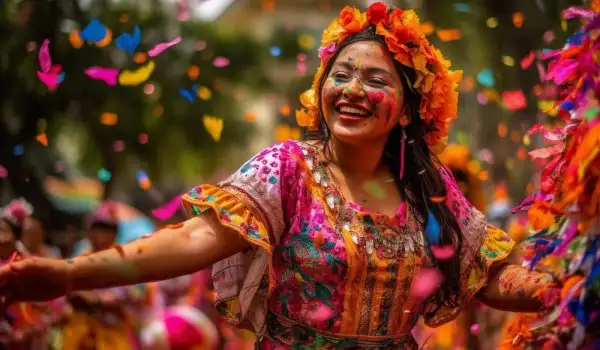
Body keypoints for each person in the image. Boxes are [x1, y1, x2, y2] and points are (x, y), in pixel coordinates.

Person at [0, 3, 560, 349]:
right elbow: (194, 239)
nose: (352, 91)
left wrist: (557, 292)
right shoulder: (287, 168)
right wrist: (70, 274)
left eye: (375, 79)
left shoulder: (429, 189)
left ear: (411, 109)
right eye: (340, 75)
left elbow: (484, 273)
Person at [59, 203, 151, 350]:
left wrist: (97, 301)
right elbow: (67, 287)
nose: (98, 235)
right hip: (79, 331)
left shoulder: (123, 259)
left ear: (114, 234)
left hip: (113, 333)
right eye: (95, 229)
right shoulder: (80, 254)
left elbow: (137, 294)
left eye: (105, 230)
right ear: (88, 231)